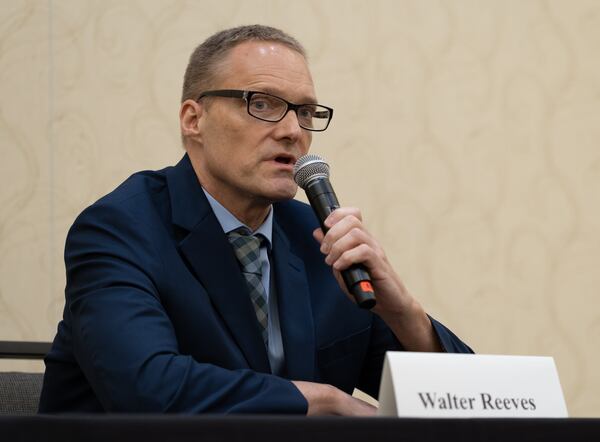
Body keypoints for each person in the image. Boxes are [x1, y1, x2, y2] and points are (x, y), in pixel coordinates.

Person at [39, 25, 472, 415]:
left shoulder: (317, 237)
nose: (292, 130)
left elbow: (465, 403)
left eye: (304, 112)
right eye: (261, 103)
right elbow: (148, 389)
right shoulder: (121, 229)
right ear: (194, 119)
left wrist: (403, 311)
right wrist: (320, 400)